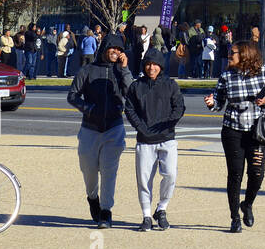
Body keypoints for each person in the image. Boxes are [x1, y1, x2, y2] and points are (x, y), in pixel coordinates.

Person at [204, 42, 265, 233]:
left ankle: (248, 204)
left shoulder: (262, 73)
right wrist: (212, 103)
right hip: (232, 129)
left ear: (245, 54)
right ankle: (234, 217)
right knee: (235, 174)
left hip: (257, 131)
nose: (229, 55)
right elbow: (219, 101)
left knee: (257, 172)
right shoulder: (227, 76)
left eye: (233, 53)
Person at [67, 33, 133, 229]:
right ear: (104, 49)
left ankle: (106, 211)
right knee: (88, 170)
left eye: (120, 49)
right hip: (90, 129)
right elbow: (72, 95)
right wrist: (87, 108)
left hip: (114, 128)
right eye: (113, 48)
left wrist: (125, 69)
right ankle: (92, 197)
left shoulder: (122, 72)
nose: (116, 52)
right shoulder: (87, 70)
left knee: (109, 171)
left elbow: (132, 93)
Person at [124, 48, 185, 231]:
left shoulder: (170, 85)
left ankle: (162, 208)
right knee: (144, 180)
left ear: (161, 66)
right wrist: (141, 127)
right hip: (145, 140)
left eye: (155, 64)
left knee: (170, 175)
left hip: (167, 138)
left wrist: (168, 124)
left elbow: (179, 106)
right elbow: (130, 109)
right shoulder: (137, 86)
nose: (151, 68)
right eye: (148, 64)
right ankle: (146, 215)